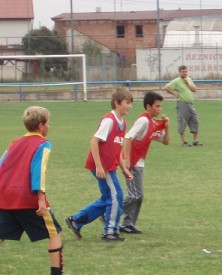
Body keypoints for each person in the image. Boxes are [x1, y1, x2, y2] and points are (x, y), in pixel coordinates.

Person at [0, 106, 80, 275]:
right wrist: (41, 199)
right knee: (54, 233)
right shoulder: (43, 144)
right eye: (48, 123)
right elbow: (38, 171)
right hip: (26, 198)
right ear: (41, 126)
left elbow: (1, 165)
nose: (49, 126)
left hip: (5, 196)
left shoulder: (14, 143)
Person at [65, 88, 133, 242]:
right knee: (116, 196)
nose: (130, 106)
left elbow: (117, 149)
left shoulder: (123, 123)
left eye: (131, 103)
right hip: (102, 167)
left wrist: (124, 169)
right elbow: (94, 141)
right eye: (127, 103)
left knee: (109, 198)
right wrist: (99, 166)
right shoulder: (109, 121)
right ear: (117, 103)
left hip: (109, 167)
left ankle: (76, 220)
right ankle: (110, 232)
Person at [120, 91, 171, 234]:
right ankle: (109, 212)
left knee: (138, 195)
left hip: (139, 162)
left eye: (161, 106)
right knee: (135, 195)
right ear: (148, 106)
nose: (160, 109)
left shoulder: (152, 123)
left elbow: (166, 141)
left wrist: (167, 126)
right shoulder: (143, 120)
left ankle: (128, 224)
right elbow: (128, 137)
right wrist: (127, 159)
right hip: (132, 162)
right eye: (157, 106)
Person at [164, 65, 200, 147]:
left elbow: (194, 89)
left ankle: (195, 140)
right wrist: (174, 94)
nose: (184, 73)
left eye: (185, 71)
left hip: (190, 104)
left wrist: (187, 83)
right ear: (179, 72)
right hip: (182, 103)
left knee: (195, 120)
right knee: (182, 121)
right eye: (183, 72)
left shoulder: (189, 79)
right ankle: (183, 142)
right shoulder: (176, 81)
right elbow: (166, 87)